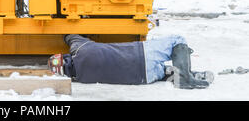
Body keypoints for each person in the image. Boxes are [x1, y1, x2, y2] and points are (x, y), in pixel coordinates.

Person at [48, 34, 214, 89]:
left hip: (143, 78)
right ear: (66, 58)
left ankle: (191, 75)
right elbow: (70, 35)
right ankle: (184, 79)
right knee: (177, 40)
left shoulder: (81, 79)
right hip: (140, 54)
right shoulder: (80, 48)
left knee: (162, 70)